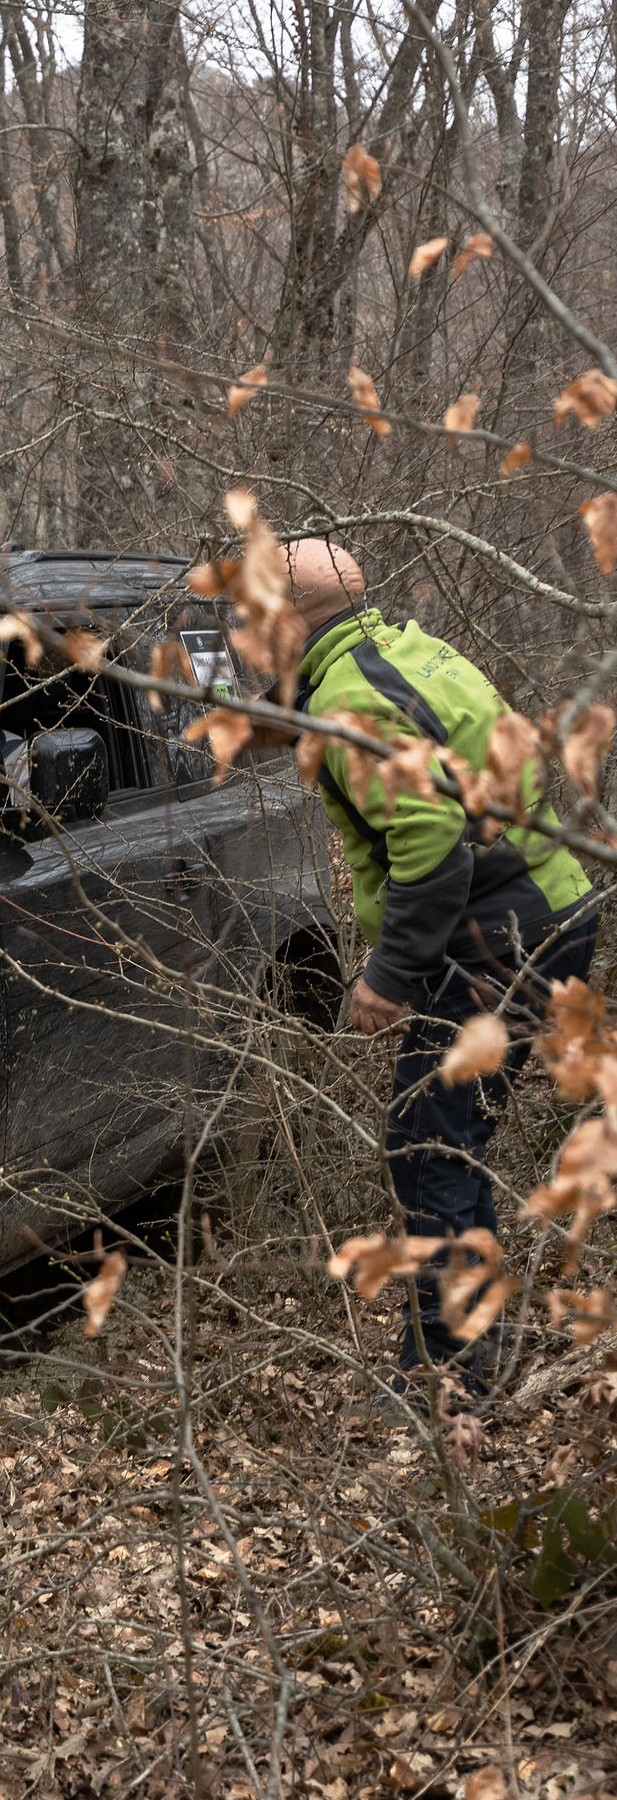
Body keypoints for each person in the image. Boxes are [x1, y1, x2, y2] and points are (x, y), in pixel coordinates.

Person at [286, 540, 599, 1400]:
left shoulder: (352, 701)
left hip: (497, 939)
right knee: (451, 1141)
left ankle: (450, 1371)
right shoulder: (397, 650)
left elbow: (430, 845)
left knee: (427, 1146)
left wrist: (388, 974)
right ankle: (474, 1342)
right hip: (548, 914)